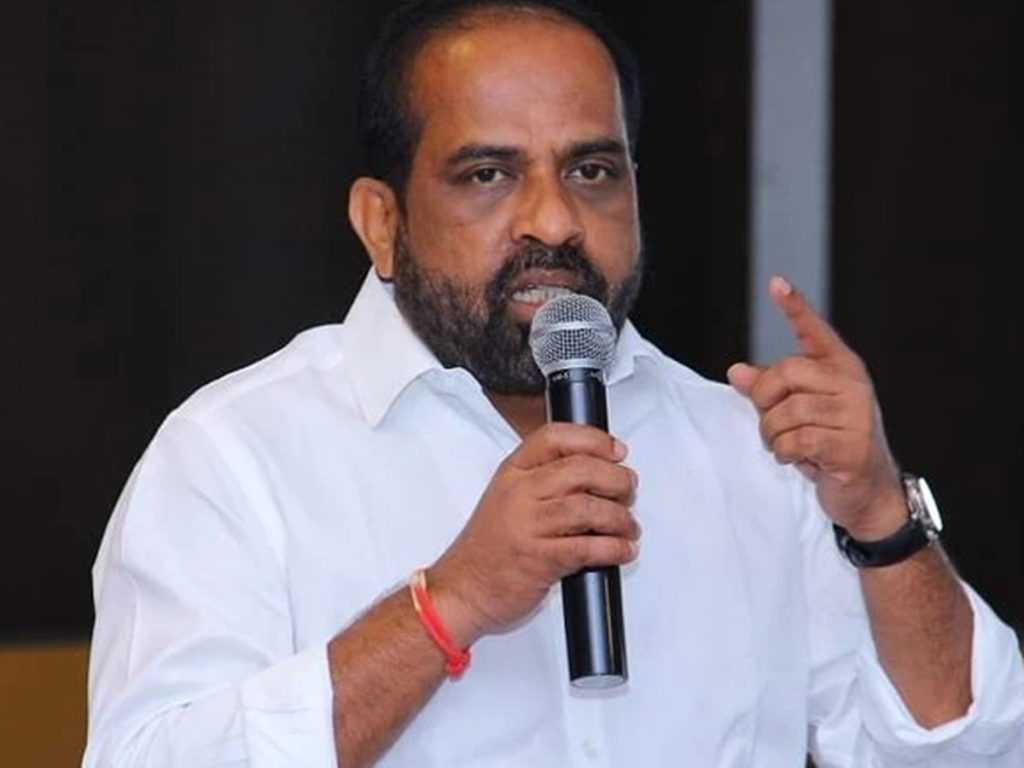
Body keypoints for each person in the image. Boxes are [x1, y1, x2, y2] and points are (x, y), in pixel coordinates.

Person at [82, 0, 1024, 765]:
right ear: (381, 222)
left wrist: (881, 519)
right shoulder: (235, 457)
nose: (555, 220)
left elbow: (969, 755)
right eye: (489, 174)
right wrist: (448, 604)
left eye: (592, 169)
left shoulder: (752, 452)